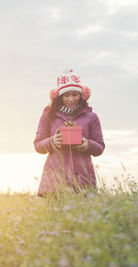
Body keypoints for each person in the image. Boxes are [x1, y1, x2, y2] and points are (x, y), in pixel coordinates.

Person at [34, 68, 105, 196]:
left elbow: (100, 147)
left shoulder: (91, 117)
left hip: (83, 181)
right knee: (55, 216)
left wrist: (87, 145)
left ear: (81, 95)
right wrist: (51, 142)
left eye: (75, 94)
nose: (71, 99)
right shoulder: (48, 115)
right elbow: (38, 145)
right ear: (59, 96)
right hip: (54, 182)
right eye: (66, 95)